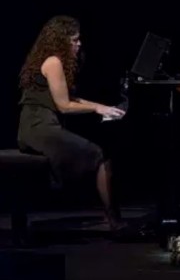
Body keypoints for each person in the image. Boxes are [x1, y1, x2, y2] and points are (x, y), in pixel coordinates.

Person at [18, 15, 128, 232]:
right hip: (39, 128)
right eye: (74, 40)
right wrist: (97, 108)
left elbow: (69, 99)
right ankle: (113, 220)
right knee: (99, 155)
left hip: (38, 125)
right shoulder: (54, 62)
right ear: (60, 40)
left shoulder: (51, 60)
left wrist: (102, 106)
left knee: (99, 152)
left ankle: (110, 217)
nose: (79, 44)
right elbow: (64, 105)